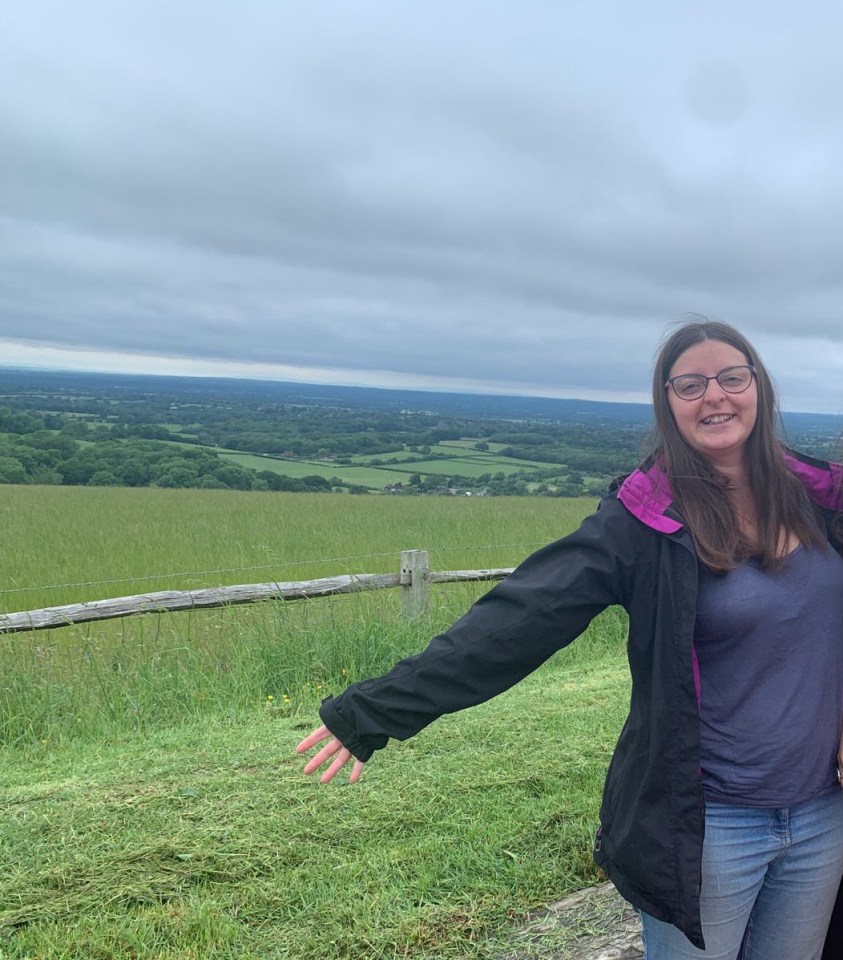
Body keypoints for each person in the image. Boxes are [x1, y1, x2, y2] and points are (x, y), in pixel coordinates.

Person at [297, 320, 843, 958]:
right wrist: (374, 710)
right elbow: (521, 618)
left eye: (731, 377)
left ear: (759, 387)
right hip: (707, 826)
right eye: (690, 384)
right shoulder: (643, 521)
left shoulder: (821, 498)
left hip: (821, 816)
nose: (714, 396)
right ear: (667, 402)